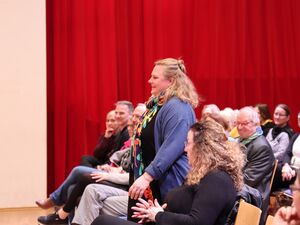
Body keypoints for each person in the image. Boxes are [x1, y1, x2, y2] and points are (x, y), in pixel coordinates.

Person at [91, 119, 245, 225]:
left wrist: (158, 215)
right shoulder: (208, 174)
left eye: (188, 143)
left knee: (102, 222)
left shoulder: (217, 179)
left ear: (203, 148)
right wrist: (155, 212)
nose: (185, 149)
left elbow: (198, 222)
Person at [37, 104, 146, 225]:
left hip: (124, 183)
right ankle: (66, 219)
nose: (132, 124)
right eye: (132, 120)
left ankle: (58, 209)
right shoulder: (128, 140)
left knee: (82, 174)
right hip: (113, 173)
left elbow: (133, 173)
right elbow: (105, 156)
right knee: (77, 182)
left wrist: (110, 171)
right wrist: (106, 139)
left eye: (136, 118)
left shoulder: (138, 141)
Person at [127, 58, 198, 221]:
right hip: (153, 178)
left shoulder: (178, 107)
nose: (149, 80)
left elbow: (172, 147)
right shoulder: (159, 104)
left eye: (155, 77)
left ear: (171, 81)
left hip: (168, 181)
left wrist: (146, 177)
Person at [236, 106, 275, 223]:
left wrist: (224, 181)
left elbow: (248, 179)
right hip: (241, 190)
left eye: (244, 123)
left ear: (256, 124)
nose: (239, 127)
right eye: (237, 123)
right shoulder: (241, 140)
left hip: (252, 198)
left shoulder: (261, 147)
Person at [266, 104, 294, 191]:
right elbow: (265, 147)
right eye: (275, 114)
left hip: (278, 167)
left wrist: (265, 158)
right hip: (267, 163)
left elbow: (281, 154)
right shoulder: (271, 130)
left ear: (287, 118)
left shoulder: (286, 134)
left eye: (280, 115)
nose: (277, 117)